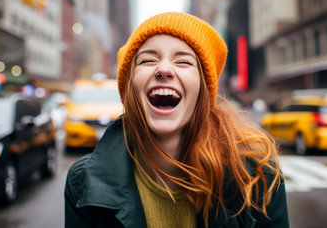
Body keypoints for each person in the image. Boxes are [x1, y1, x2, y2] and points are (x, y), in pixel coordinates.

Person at [64, 12, 289, 228]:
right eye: (147, 60)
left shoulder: (258, 177)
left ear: (203, 88)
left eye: (183, 62)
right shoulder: (82, 182)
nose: (163, 69)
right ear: (129, 86)